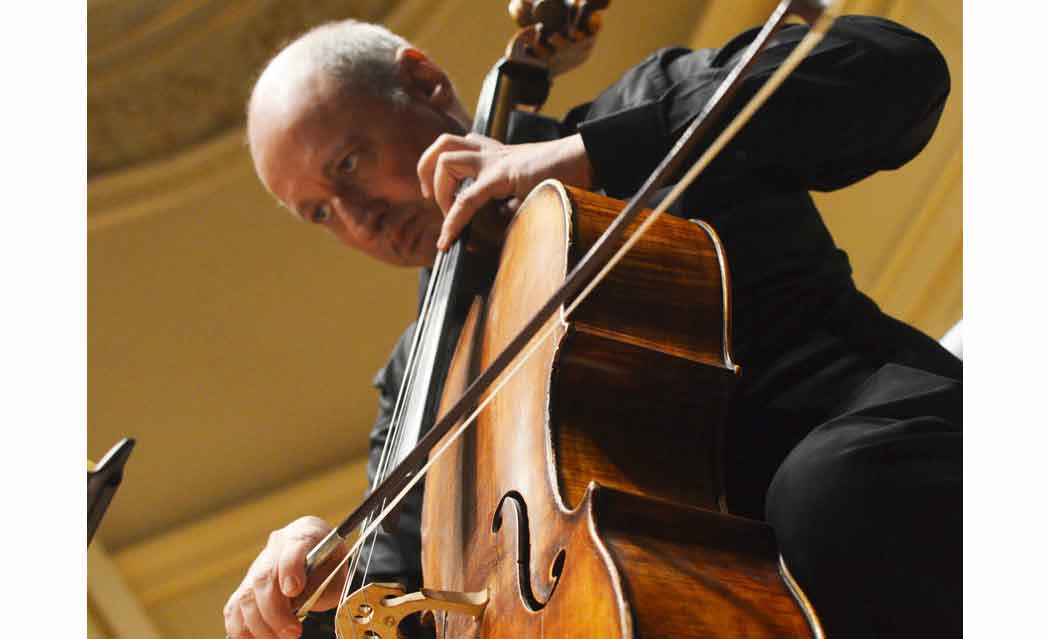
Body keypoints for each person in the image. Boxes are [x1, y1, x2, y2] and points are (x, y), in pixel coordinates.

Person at [225, 9, 962, 639]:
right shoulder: (416, 379)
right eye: (320, 212)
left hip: (877, 460)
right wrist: (318, 581)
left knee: (827, 491)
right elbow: (401, 593)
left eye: (349, 164)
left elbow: (895, 72)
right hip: (669, 598)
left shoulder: (633, 116)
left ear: (423, 84)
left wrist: (589, 153)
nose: (359, 219)